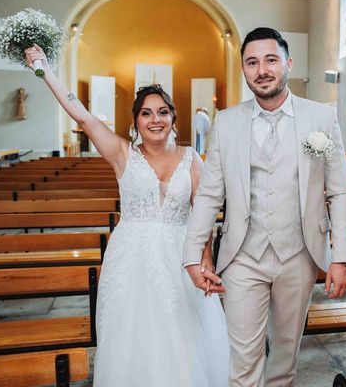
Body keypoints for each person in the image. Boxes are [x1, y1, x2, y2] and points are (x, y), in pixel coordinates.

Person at [24, 45, 228, 387]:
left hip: (181, 257)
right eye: (146, 114)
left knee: (183, 333)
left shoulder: (193, 159)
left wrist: (205, 256)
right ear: (135, 121)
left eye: (163, 112)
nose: (155, 120)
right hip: (131, 257)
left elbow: (203, 215)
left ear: (173, 118)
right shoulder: (122, 154)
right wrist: (44, 69)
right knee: (133, 335)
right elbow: (83, 115)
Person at [183, 27, 346, 386]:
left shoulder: (320, 119)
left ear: (288, 64)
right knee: (243, 363)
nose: (262, 69)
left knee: (285, 359)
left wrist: (341, 257)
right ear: (244, 69)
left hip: (300, 254)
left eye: (271, 60)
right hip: (243, 255)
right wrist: (191, 255)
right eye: (252, 62)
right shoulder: (227, 122)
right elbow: (210, 192)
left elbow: (338, 192)